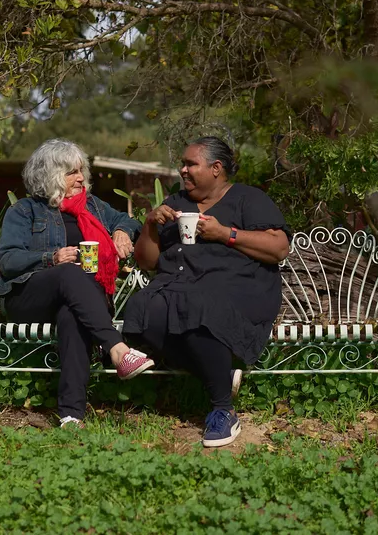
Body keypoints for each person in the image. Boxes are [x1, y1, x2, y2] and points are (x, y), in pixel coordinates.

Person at [122, 136, 291, 447]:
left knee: (196, 306)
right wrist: (149, 224)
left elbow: (279, 248)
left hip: (239, 290)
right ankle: (221, 376)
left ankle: (223, 410)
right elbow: (147, 261)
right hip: (178, 290)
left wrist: (225, 233)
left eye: (191, 164)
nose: (183, 170)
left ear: (216, 168)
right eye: (182, 164)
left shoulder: (248, 199)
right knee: (143, 310)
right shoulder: (176, 203)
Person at [0, 139, 154, 428]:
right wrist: (52, 257)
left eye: (81, 170)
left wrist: (121, 231)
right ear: (49, 175)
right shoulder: (25, 210)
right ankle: (117, 349)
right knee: (70, 272)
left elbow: (127, 220)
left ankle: (71, 416)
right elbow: (8, 260)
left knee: (72, 315)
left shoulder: (93, 206)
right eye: (71, 172)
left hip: (83, 302)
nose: (81, 178)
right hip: (31, 296)